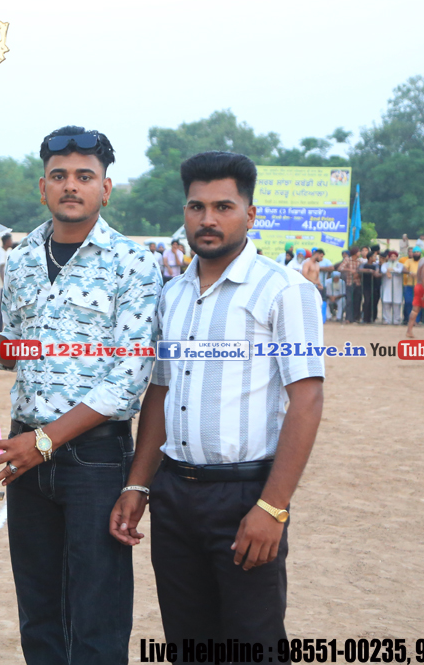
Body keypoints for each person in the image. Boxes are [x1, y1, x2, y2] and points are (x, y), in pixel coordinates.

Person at [0, 126, 162, 665]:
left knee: (97, 613)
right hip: (24, 452)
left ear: (105, 189)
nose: (71, 185)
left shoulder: (133, 262)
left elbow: (129, 377)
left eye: (84, 176)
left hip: (94, 455)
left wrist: (45, 441)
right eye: (60, 175)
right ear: (43, 186)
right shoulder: (22, 257)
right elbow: (17, 354)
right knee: (39, 611)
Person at [110, 150, 325, 651]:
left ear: (250, 215)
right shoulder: (173, 295)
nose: (208, 219)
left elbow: (307, 401)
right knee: (188, 643)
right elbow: (161, 393)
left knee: (253, 643)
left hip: (244, 495)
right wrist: (139, 485)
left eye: (223, 207)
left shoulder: (284, 290)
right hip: (174, 495)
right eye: (197, 207)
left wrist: (272, 507)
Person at [380, 250, 405, 325]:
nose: (393, 258)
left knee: (396, 304)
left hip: (397, 287)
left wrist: (391, 270)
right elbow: (383, 270)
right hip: (386, 287)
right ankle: (387, 319)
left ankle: (396, 320)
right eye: (391, 256)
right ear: (389, 257)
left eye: (395, 256)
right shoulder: (385, 264)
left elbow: (399, 270)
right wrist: (387, 271)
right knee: (386, 303)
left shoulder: (400, 265)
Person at [338, 248, 362, 324]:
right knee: (349, 301)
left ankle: (356, 318)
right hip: (349, 282)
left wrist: (358, 273)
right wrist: (349, 270)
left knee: (357, 301)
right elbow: (340, 268)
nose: (360, 253)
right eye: (358, 252)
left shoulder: (359, 261)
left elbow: (361, 269)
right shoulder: (347, 260)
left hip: (358, 282)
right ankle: (348, 318)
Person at [359, 250, 382, 323]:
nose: (375, 258)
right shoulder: (363, 264)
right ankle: (365, 318)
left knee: (374, 301)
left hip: (375, 285)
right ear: (370, 258)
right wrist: (369, 270)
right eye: (374, 257)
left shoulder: (376, 265)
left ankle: (373, 317)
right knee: (367, 301)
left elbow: (377, 272)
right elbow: (359, 270)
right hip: (366, 285)